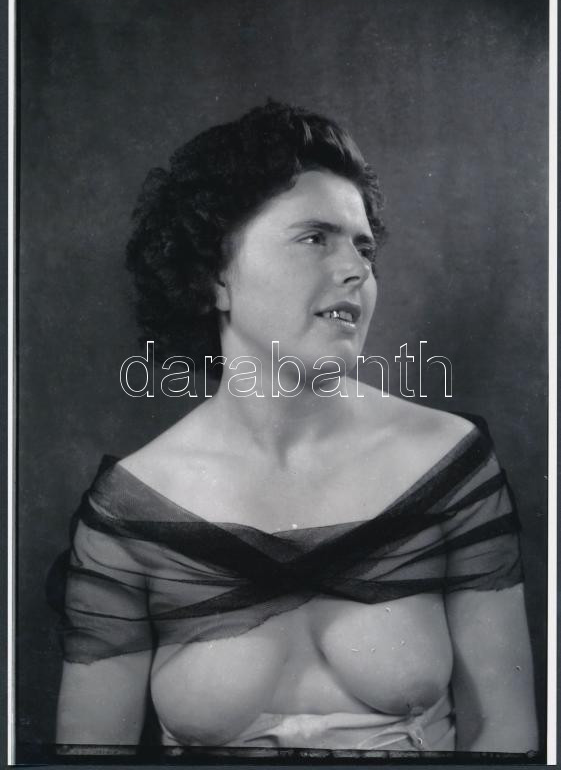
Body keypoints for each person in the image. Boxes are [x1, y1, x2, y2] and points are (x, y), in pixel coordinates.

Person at [51, 101, 538, 754]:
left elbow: (505, 733)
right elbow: (89, 758)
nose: (357, 270)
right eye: (315, 238)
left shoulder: (450, 464)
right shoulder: (130, 510)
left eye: (363, 247)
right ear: (214, 278)